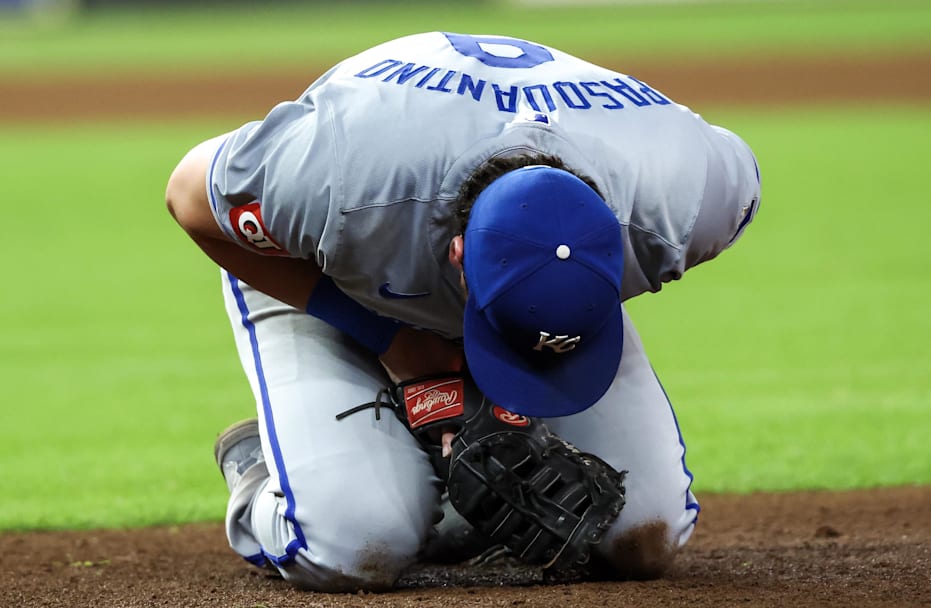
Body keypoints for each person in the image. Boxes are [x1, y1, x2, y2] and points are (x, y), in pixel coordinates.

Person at [165, 31, 760, 593]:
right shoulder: (338, 176)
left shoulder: (689, 198)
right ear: (457, 259)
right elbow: (188, 196)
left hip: (547, 289)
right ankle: (260, 470)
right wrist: (396, 342)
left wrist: (544, 323)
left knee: (640, 538)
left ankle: (445, 492)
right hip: (323, 266)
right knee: (352, 546)